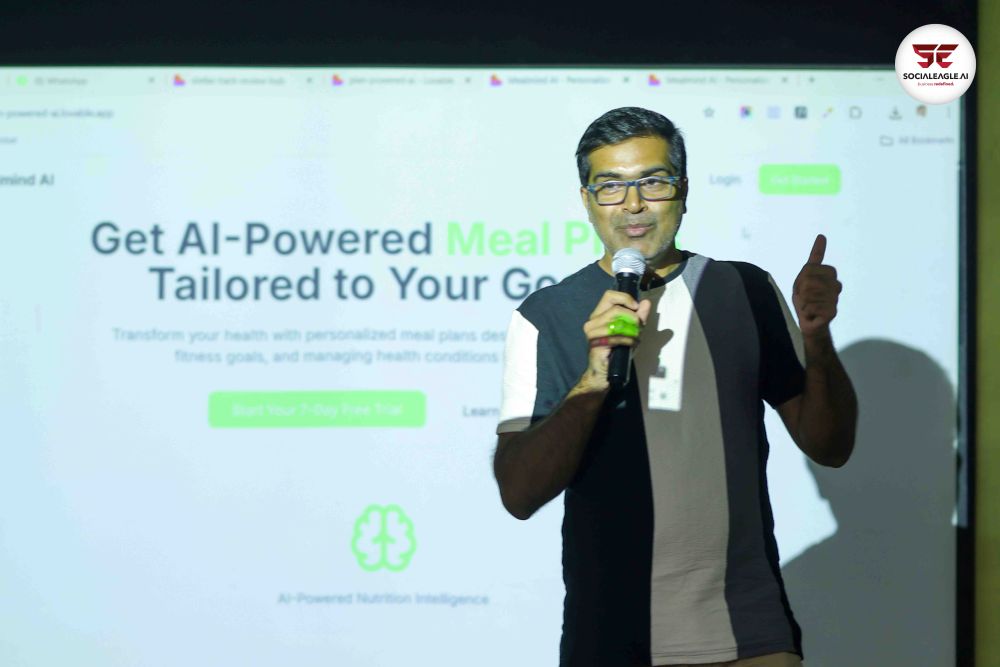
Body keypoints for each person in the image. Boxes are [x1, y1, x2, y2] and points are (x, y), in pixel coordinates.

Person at [492, 107, 858, 667]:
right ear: (586, 200)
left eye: (653, 182)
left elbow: (829, 446)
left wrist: (818, 339)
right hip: (610, 634)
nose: (633, 204)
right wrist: (593, 378)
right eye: (610, 186)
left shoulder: (745, 289)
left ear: (683, 191)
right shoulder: (546, 314)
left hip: (749, 631)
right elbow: (518, 494)